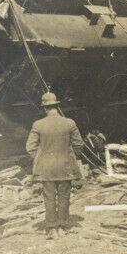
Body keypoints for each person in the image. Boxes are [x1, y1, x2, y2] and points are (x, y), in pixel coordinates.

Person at [25, 92, 85, 240]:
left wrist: (40, 159)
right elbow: (79, 144)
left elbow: (30, 147)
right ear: (57, 106)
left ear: (45, 108)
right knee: (64, 196)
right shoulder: (69, 123)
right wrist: (71, 157)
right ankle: (63, 227)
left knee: (49, 197)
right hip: (65, 166)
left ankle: (52, 229)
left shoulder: (38, 125)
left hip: (46, 169)